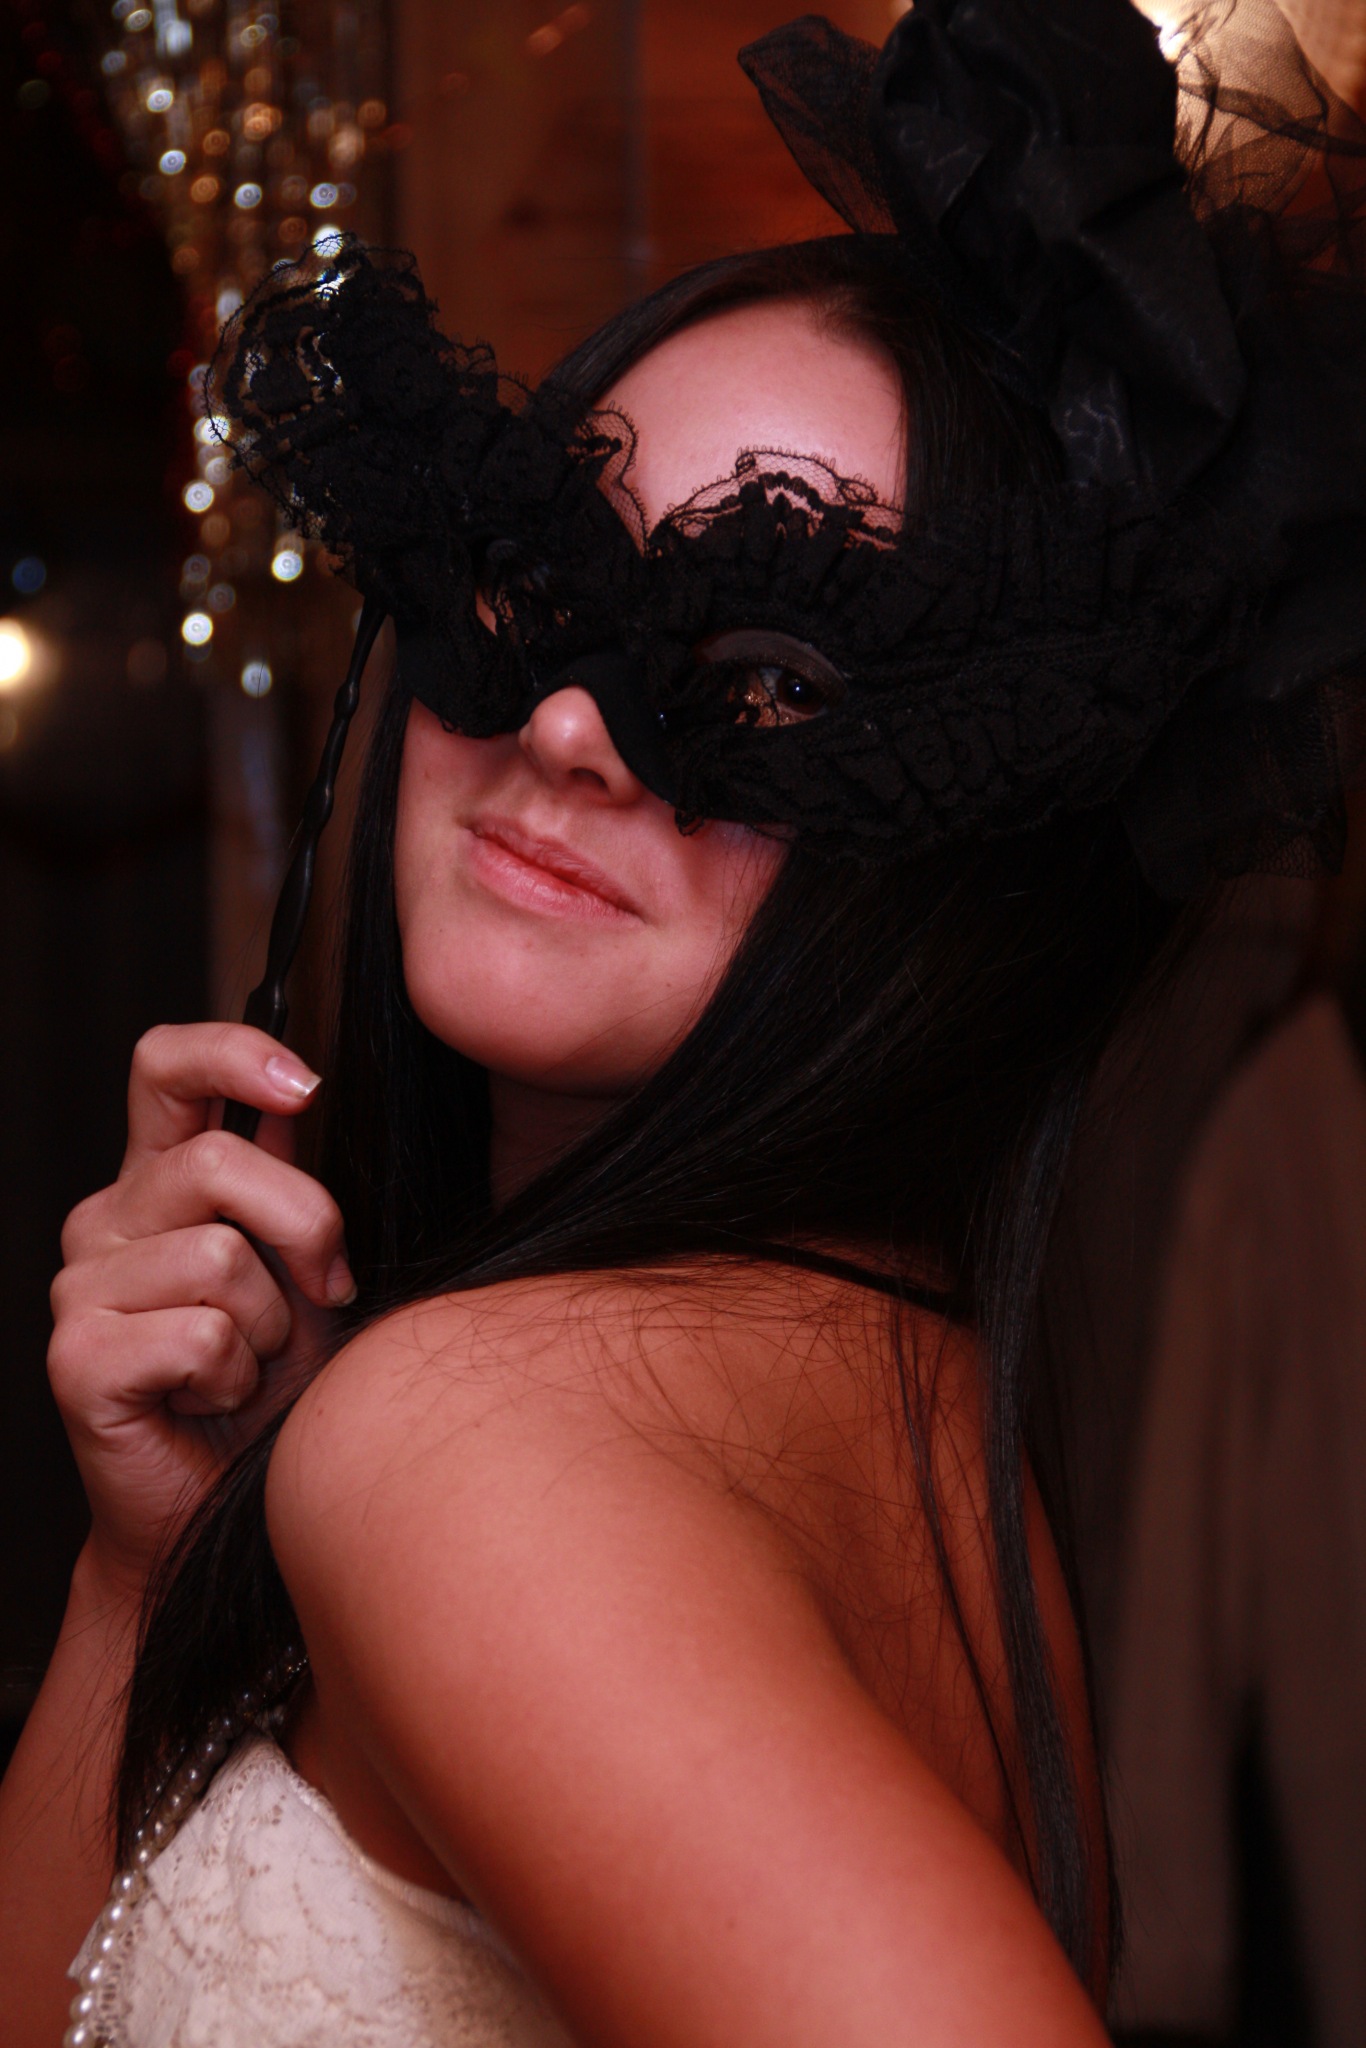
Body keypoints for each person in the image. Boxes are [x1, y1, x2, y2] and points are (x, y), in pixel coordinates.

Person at [3, 2, 1365, 2043]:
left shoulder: (479, 1438)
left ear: (968, 815)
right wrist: (145, 1573)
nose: (570, 721)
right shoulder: (896, 1418)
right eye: (544, 574)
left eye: (773, 678)